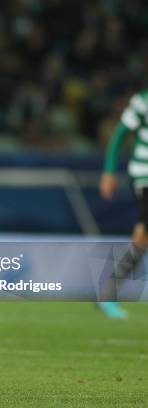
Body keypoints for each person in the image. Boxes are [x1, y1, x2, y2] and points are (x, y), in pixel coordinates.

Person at [98, 90, 148, 319]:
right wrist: (109, 171)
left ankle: (108, 294)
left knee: (142, 236)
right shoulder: (143, 101)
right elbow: (120, 134)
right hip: (145, 175)